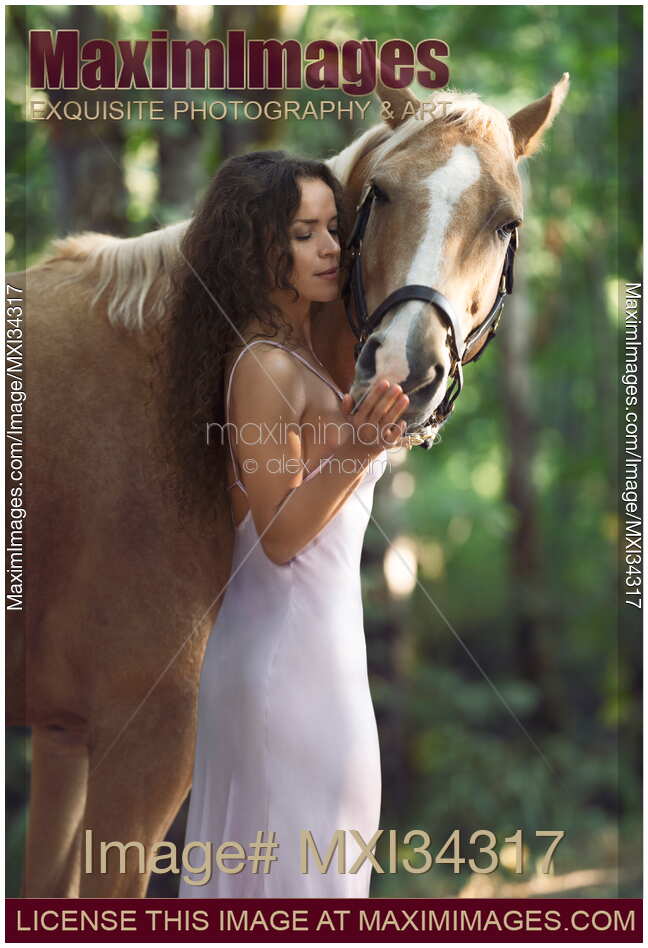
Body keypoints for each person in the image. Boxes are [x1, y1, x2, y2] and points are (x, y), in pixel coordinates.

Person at [168, 151, 409, 897]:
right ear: (257, 248)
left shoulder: (296, 361)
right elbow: (277, 536)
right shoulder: (266, 368)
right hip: (288, 671)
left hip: (308, 660)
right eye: (304, 233)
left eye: (334, 227)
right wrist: (360, 448)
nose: (332, 247)